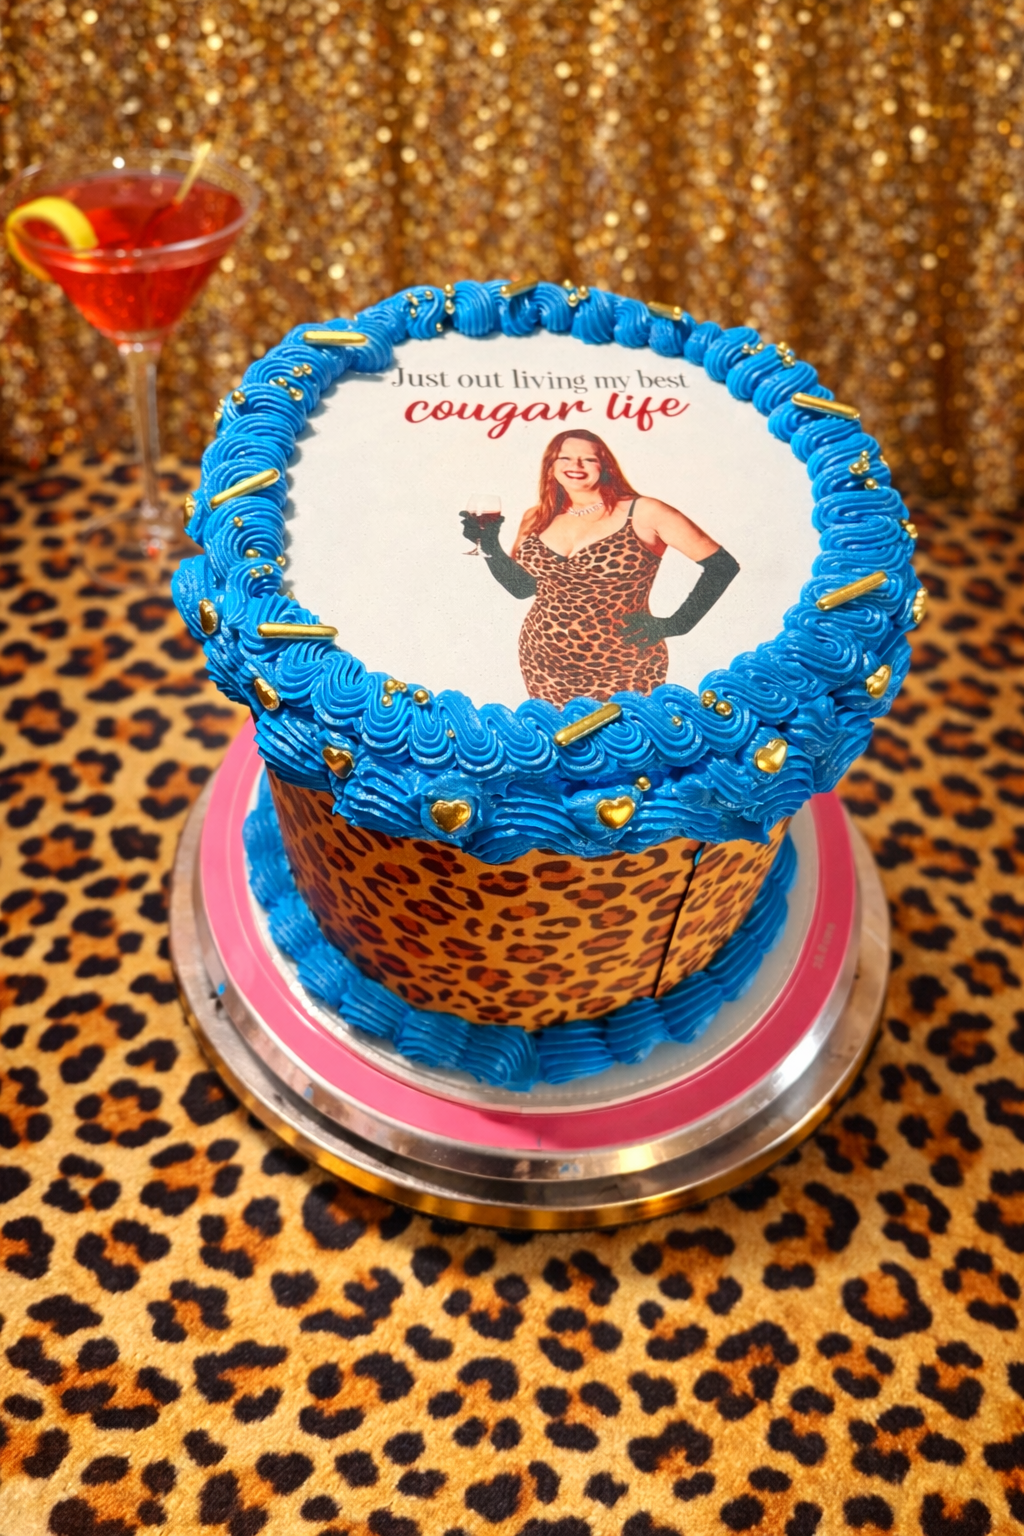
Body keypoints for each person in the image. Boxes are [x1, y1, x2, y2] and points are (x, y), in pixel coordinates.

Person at [461, 428, 739, 706]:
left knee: (629, 731)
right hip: (543, 660)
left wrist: (678, 623)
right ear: (550, 466)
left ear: (605, 466)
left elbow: (722, 566)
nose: (575, 465)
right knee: (563, 732)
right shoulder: (537, 516)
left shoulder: (644, 512)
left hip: (624, 661)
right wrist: (488, 544)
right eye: (565, 458)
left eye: (588, 459)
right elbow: (522, 588)